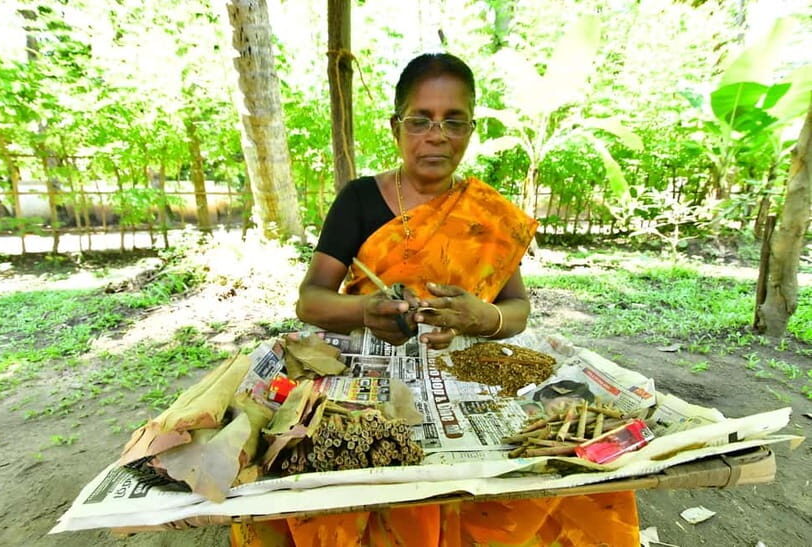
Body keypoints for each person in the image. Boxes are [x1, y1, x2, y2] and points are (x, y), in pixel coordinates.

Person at [231, 53, 638, 546]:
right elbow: (311, 301)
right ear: (396, 127)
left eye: (453, 121)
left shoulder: (487, 214)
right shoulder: (359, 200)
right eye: (420, 120)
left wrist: (479, 316)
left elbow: (517, 312)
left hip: (466, 371)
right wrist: (365, 311)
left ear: (470, 128)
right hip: (367, 377)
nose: (437, 134)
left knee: (564, 474)